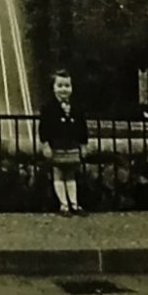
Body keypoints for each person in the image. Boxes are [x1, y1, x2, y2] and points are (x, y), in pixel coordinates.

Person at [38, 69, 89, 216]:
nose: (64, 89)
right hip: (57, 144)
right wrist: (45, 144)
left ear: (71, 88)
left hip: (72, 144)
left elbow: (82, 127)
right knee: (58, 174)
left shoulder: (77, 108)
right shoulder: (48, 108)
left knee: (71, 175)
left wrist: (83, 145)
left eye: (67, 86)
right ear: (53, 88)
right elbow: (43, 128)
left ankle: (74, 203)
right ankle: (63, 205)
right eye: (60, 85)